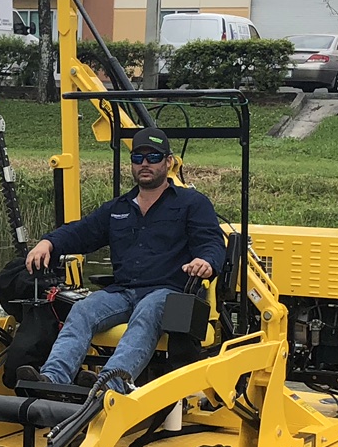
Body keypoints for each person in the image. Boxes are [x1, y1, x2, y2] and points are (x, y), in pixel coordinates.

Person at [21, 126, 225, 392]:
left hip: (168, 293)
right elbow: (82, 231)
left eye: (153, 157)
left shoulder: (192, 203)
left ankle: (110, 385)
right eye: (138, 158)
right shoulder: (118, 208)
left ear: (169, 162)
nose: (145, 164)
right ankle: (52, 380)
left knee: (149, 309)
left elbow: (212, 242)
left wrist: (206, 262)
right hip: (123, 292)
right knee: (83, 308)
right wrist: (49, 242)